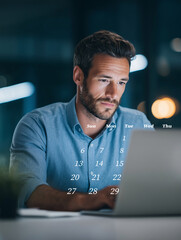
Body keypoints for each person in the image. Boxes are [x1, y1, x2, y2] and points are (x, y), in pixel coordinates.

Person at [10, 30, 152, 211]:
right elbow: (24, 190)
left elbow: (156, 186)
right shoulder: (37, 125)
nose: (113, 94)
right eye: (104, 79)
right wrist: (92, 200)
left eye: (121, 82)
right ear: (78, 76)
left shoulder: (138, 124)